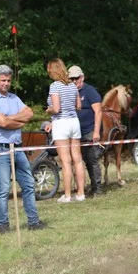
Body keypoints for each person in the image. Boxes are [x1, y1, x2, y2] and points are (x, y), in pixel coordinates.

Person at [0, 65, 46, 232]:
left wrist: (9, 119)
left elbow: (29, 114)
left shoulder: (14, 98)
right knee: (3, 188)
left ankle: (33, 221)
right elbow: (1, 122)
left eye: (8, 81)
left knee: (28, 184)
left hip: (17, 147)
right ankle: (3, 225)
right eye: (3, 80)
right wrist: (12, 121)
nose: (6, 83)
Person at [47, 59, 84, 203]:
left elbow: (56, 108)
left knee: (65, 161)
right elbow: (79, 106)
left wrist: (48, 110)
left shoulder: (55, 86)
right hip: (74, 122)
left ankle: (67, 195)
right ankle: (80, 193)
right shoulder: (72, 85)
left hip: (61, 123)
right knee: (78, 159)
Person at [73, 67, 104, 196]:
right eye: (71, 79)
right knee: (79, 160)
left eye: (76, 78)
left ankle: (97, 188)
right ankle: (81, 188)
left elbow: (98, 111)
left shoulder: (90, 91)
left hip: (90, 130)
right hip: (75, 132)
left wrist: (96, 132)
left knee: (92, 159)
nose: (74, 81)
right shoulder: (70, 91)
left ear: (82, 77)